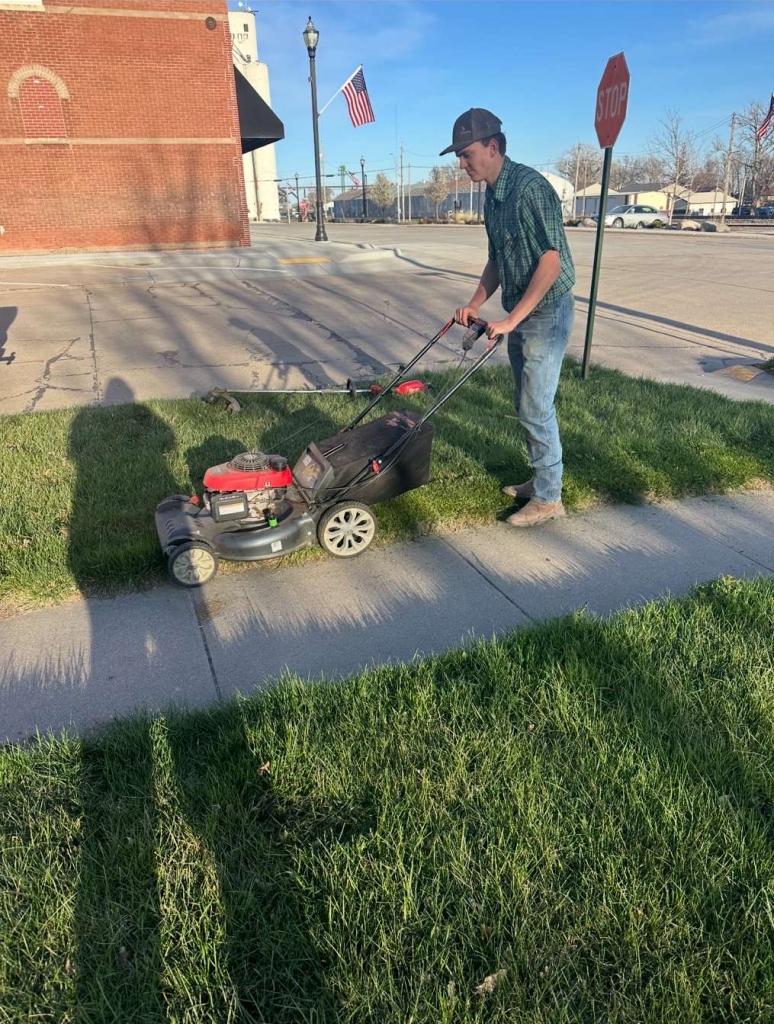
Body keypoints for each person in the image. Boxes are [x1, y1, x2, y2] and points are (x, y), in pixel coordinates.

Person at [443, 109, 575, 527]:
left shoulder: (531, 189)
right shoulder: (493, 196)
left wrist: (512, 320)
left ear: (493, 147)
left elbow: (551, 263)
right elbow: (497, 260)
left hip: (547, 310)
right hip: (521, 312)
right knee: (526, 402)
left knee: (536, 406)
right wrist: (475, 303)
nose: (462, 164)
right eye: (459, 157)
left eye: (466, 155)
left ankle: (550, 498)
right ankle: (540, 480)